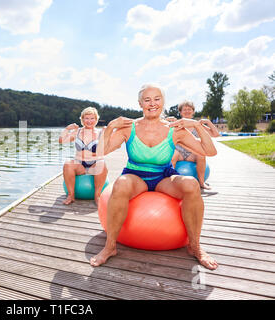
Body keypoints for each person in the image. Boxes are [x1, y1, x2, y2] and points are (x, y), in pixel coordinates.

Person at [90, 84, 219, 270]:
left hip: (163, 177)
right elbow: (99, 153)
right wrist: (110, 127)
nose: (152, 103)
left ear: (163, 102)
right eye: (147, 99)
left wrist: (196, 125)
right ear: (140, 103)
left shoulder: (175, 129)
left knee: (191, 184)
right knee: (120, 184)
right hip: (135, 176)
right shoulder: (129, 127)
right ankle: (110, 247)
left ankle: (195, 247)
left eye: (157, 99)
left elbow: (210, 151)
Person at [58, 107, 108, 206]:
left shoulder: (100, 133)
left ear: (96, 119)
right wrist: (67, 129)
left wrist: (107, 133)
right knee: (68, 163)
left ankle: (97, 196)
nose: (89, 121)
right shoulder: (78, 132)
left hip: (95, 164)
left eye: (92, 118)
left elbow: (105, 149)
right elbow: (61, 140)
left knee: (102, 164)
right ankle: (71, 196)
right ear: (82, 119)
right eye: (86, 118)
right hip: (80, 165)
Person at [169, 101, 220, 189]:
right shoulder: (176, 124)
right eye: (184, 109)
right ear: (180, 112)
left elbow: (215, 134)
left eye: (189, 109)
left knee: (201, 155)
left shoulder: (198, 125)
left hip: (192, 153)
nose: (187, 111)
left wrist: (208, 122)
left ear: (193, 111)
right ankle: (170, 182)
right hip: (179, 153)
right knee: (174, 154)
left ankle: (201, 183)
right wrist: (166, 120)